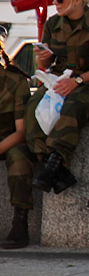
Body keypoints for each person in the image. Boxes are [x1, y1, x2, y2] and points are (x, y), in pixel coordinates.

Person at [27, 0, 89, 195]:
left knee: (74, 106)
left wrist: (78, 81)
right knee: (33, 107)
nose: (55, 3)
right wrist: (43, 58)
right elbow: (46, 65)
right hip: (59, 79)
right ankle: (53, 167)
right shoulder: (53, 24)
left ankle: (56, 160)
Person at [0, 35, 33, 248]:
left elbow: (21, 132)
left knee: (19, 157)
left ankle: (20, 224)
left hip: (8, 140)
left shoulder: (15, 81)